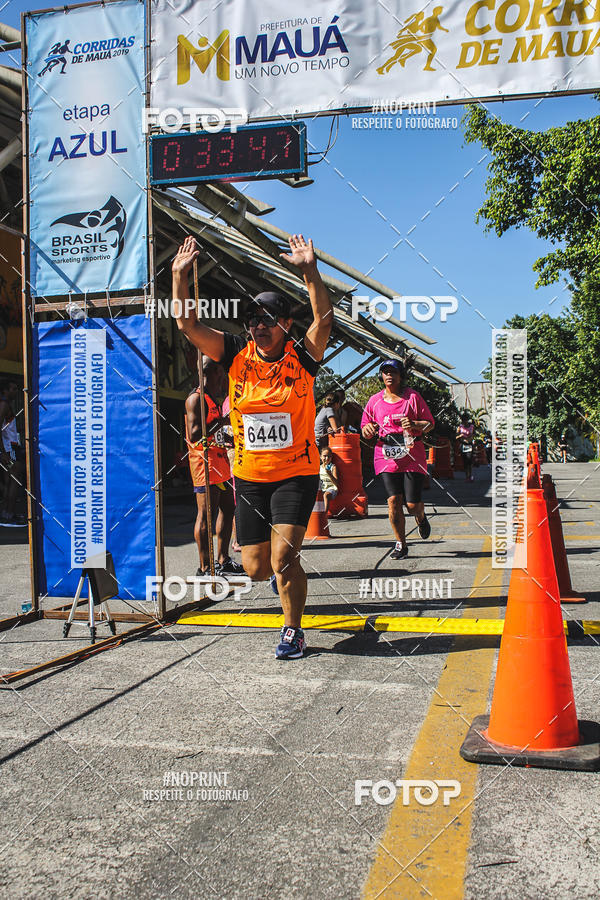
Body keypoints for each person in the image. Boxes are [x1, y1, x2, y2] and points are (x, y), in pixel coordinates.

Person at [173, 233, 332, 660]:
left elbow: (325, 318)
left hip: (296, 474)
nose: (258, 326)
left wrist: (309, 270)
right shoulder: (235, 355)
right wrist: (179, 278)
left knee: (283, 558)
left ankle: (293, 630)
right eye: (253, 320)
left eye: (267, 319)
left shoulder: (303, 358)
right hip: (250, 477)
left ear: (286, 326)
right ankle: (284, 592)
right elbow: (187, 325)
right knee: (256, 567)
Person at [361, 359, 434, 560]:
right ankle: (401, 544)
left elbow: (429, 424)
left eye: (393, 372)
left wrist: (414, 423)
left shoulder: (413, 397)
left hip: (412, 453)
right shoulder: (374, 401)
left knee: (411, 505)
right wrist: (367, 430)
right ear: (381, 376)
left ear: (401, 376)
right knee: (393, 500)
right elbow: (365, 428)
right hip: (386, 454)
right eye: (385, 372)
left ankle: (420, 516)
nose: (389, 375)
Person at [185, 355, 243, 577]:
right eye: (221, 372)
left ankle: (223, 559)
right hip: (204, 463)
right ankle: (204, 567)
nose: (223, 378)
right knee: (205, 513)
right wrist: (223, 421)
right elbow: (194, 434)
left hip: (220, 461)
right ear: (211, 372)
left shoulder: (211, 398)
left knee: (228, 508)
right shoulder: (195, 399)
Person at [0, 379, 26, 526]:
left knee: (9, 480)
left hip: (9, 448)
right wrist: (3, 452)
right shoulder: (4, 405)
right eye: (13, 389)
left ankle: (6, 514)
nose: (16, 392)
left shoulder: (5, 404)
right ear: (5, 390)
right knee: (14, 480)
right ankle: (8, 515)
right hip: (9, 449)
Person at [319, 445, 339, 515]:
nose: (327, 458)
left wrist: (329, 474)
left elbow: (336, 483)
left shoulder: (333, 467)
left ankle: (324, 515)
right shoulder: (319, 468)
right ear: (320, 457)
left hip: (331, 489)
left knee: (326, 495)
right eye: (324, 456)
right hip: (322, 489)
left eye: (329, 456)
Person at [456, 413, 475, 481]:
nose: (464, 422)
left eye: (466, 420)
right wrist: (460, 436)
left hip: (469, 444)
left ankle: (470, 475)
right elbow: (456, 437)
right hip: (463, 444)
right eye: (463, 421)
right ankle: (467, 476)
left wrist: (471, 436)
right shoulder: (460, 427)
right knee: (465, 461)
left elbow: (474, 434)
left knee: (469, 459)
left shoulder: (472, 426)